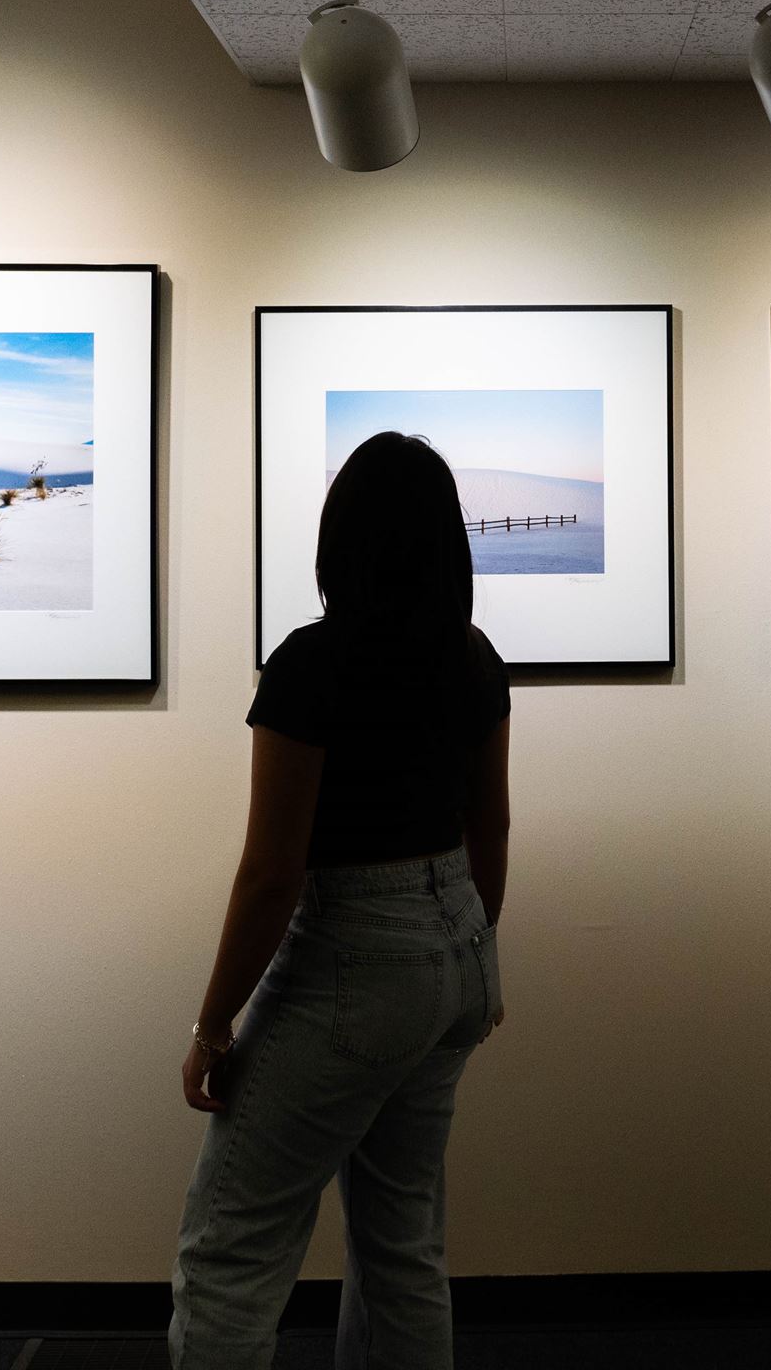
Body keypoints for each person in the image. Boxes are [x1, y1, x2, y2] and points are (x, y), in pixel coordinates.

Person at [169, 432, 511, 1370]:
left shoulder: (310, 666)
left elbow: (273, 872)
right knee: (404, 1249)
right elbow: (494, 834)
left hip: (356, 962)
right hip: (456, 960)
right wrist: (475, 958)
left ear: (340, 541)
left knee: (229, 1251)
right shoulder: (475, 659)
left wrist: (212, 1027)